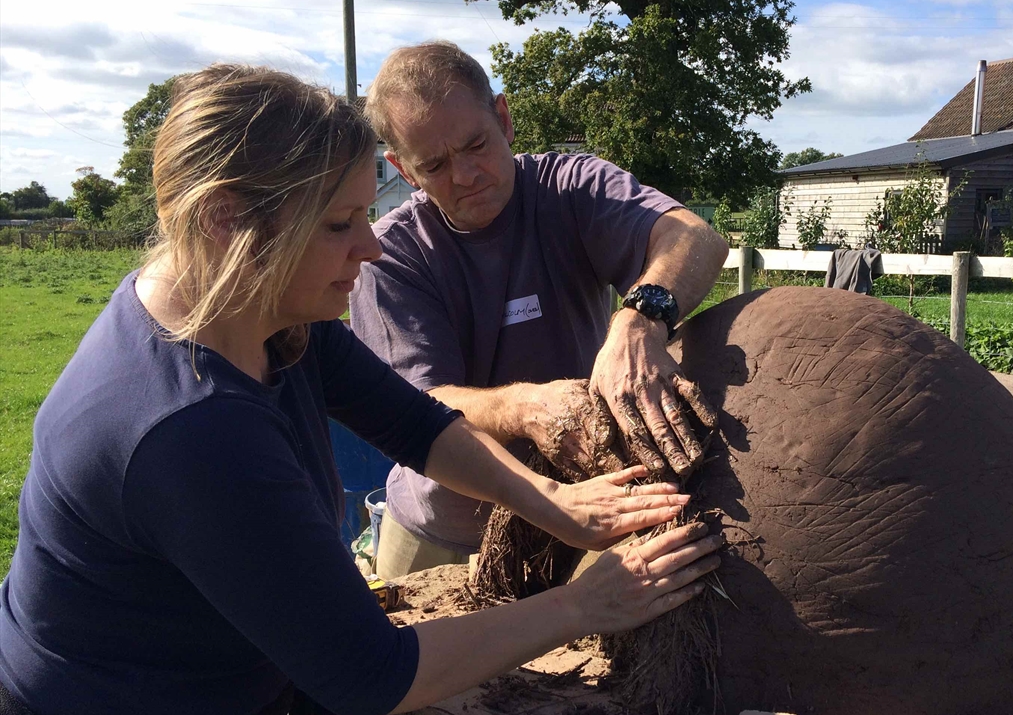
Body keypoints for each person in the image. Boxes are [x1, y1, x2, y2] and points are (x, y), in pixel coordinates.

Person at [0, 64, 722, 715]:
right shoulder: (191, 430)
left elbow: (415, 422)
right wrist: (583, 604)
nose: (371, 247)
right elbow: (374, 675)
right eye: (341, 224)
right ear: (227, 221)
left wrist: (559, 508)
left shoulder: (266, 314)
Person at [351, 42, 730, 575]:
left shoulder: (570, 186)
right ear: (403, 169)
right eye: (434, 164)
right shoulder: (388, 254)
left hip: (587, 512)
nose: (465, 175)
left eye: (476, 144)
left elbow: (693, 236)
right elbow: (420, 404)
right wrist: (526, 408)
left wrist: (640, 319)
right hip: (445, 530)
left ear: (503, 120)